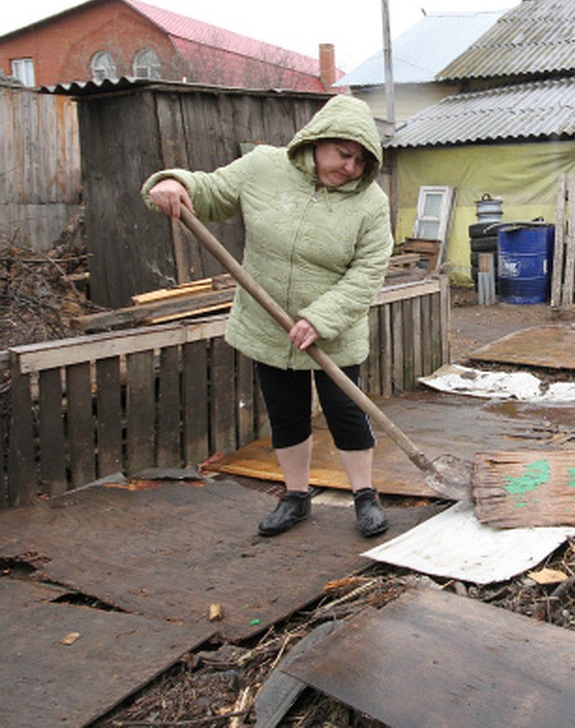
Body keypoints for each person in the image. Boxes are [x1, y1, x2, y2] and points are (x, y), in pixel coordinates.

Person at [143, 95, 394, 539]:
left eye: (360, 160)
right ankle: (296, 497)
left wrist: (322, 318)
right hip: (267, 323)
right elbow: (212, 192)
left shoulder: (370, 203)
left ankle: (365, 495)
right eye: (343, 154)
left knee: (346, 412)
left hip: (333, 331)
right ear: (318, 141)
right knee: (286, 414)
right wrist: (173, 182)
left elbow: (369, 271)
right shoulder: (262, 167)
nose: (351, 167)